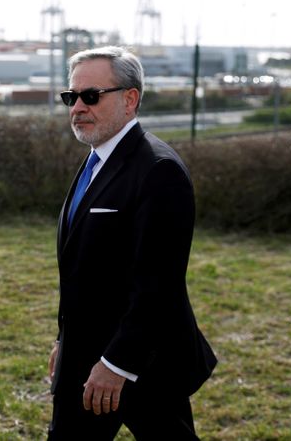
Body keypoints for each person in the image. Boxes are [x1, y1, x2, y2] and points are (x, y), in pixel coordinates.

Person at [47, 46, 217, 440]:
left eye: (91, 96)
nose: (77, 107)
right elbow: (82, 270)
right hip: (84, 358)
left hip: (144, 363)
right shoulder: (95, 160)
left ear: (130, 98)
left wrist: (117, 364)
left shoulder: (159, 170)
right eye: (71, 97)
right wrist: (65, 341)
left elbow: (159, 285)